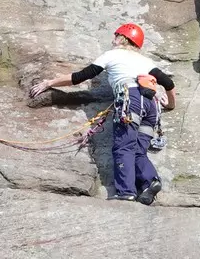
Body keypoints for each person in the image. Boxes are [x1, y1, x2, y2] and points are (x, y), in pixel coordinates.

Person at [31, 23, 176, 203]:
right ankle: (150, 182)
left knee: (124, 146)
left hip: (130, 101)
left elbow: (80, 76)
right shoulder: (145, 62)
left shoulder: (111, 55)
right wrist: (170, 104)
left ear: (123, 38)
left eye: (115, 36)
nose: (112, 40)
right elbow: (168, 84)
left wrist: (49, 83)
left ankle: (126, 192)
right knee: (139, 149)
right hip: (150, 106)